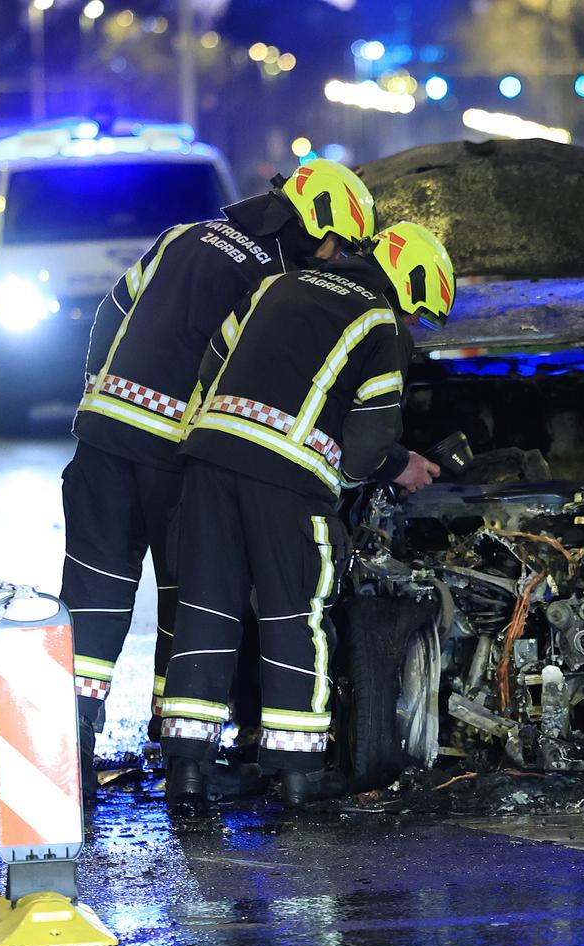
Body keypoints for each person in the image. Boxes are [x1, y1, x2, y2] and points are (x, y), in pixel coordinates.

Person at [59, 159, 377, 789]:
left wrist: (97, 395)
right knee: (195, 601)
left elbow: (109, 314)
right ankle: (179, 748)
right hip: (177, 459)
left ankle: (68, 753)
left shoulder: (181, 236)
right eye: (334, 242)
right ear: (313, 225)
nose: (332, 256)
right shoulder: (275, 280)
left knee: (92, 598)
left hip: (100, 441)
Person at [158, 221, 456, 809]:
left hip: (209, 461)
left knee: (206, 612)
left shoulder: (277, 284)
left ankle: (188, 775)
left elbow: (212, 357)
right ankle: (297, 774)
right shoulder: (379, 325)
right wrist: (401, 468)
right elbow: (368, 446)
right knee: (295, 615)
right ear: (411, 285)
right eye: (420, 314)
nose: (414, 327)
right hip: (287, 482)